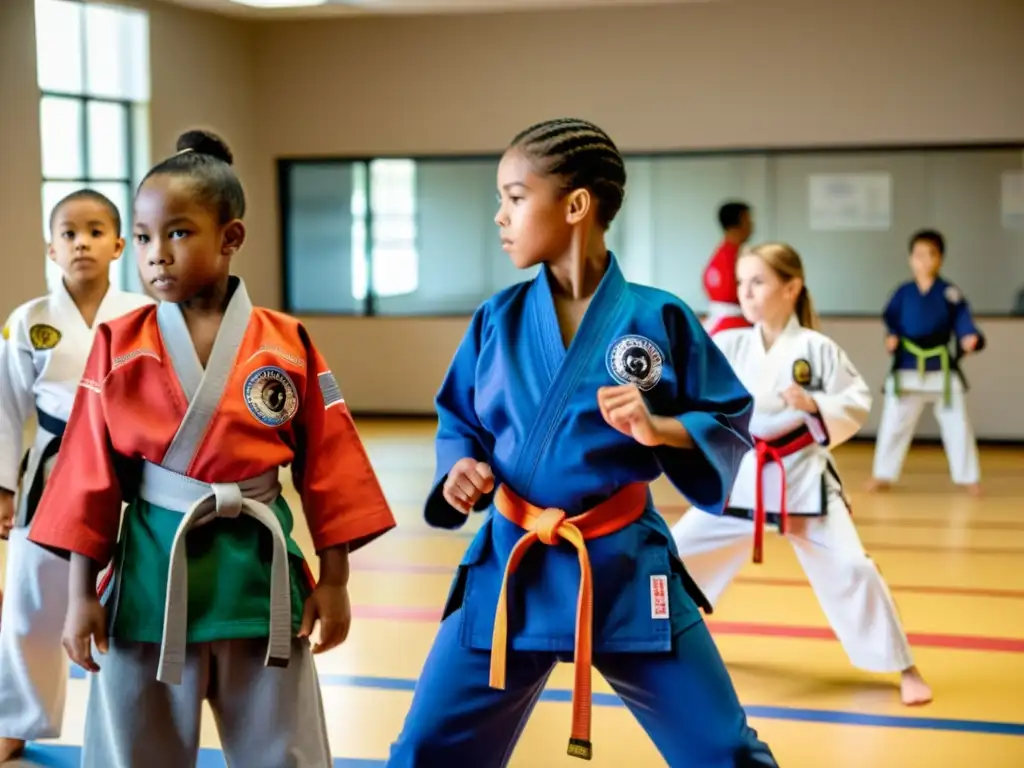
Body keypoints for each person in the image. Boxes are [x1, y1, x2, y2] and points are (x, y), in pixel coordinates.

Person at [387, 118, 777, 767]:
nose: (499, 216)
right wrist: (460, 467)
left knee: (724, 749)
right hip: (513, 564)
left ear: (575, 206)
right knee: (426, 748)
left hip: (624, 566)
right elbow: (459, 418)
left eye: (514, 197)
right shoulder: (498, 320)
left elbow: (730, 416)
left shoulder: (658, 319)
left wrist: (663, 428)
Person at [28, 130, 397, 768]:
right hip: (148, 576)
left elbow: (329, 464)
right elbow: (88, 474)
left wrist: (334, 581)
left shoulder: (286, 341)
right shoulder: (120, 341)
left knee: (284, 751)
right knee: (132, 751)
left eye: (177, 233)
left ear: (231, 237)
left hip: (259, 578)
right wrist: (81, 595)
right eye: (142, 238)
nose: (155, 256)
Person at [671, 243, 933, 707]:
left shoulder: (817, 349)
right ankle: (651, 640)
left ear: (791, 288)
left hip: (802, 477)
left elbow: (855, 401)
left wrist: (815, 405)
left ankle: (903, 665)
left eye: (758, 282)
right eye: (741, 283)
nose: (745, 293)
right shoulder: (729, 342)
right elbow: (694, 393)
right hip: (744, 473)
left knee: (853, 567)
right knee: (674, 554)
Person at [0, 189, 155, 762]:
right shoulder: (29, 320)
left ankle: (128, 717)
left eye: (94, 232)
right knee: (30, 595)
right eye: (68, 233)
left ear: (119, 245)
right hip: (50, 465)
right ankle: (18, 719)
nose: (80, 242)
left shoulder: (145, 315)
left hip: (128, 468)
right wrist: (3, 488)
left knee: (126, 595)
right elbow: (5, 409)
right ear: (51, 247)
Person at [867, 230, 984, 495]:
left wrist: (968, 337)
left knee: (957, 423)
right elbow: (892, 320)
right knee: (894, 421)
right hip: (907, 364)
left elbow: (963, 321)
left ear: (940, 258)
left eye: (931, 254)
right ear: (910, 259)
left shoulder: (950, 293)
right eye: (919, 255)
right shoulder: (903, 293)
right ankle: (883, 474)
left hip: (940, 367)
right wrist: (891, 336)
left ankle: (968, 477)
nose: (924, 261)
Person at [703, 201, 754, 335]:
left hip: (717, 325)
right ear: (742, 221)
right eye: (749, 220)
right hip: (736, 326)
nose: (752, 226)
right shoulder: (738, 258)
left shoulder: (720, 255)